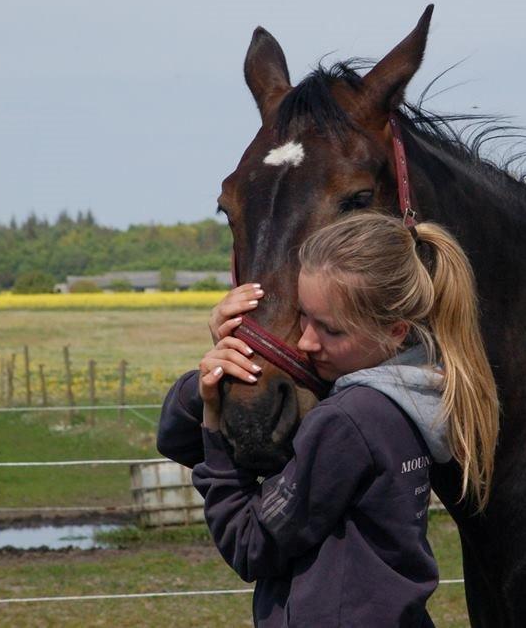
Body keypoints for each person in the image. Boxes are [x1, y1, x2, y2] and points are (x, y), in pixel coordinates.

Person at [182, 212, 499, 627]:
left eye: (331, 330)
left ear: (396, 331)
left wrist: (213, 426)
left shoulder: (348, 420)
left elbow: (250, 543)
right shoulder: (408, 401)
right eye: (303, 317)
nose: (308, 342)